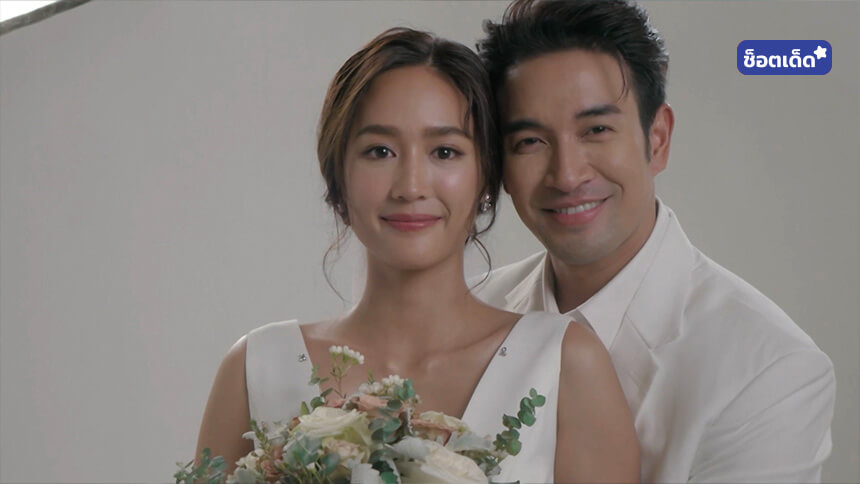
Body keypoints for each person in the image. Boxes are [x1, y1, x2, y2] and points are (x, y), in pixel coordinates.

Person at [194, 28, 639, 482]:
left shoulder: (565, 364)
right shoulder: (256, 368)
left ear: (486, 178)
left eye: (444, 151)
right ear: (337, 179)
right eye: (380, 151)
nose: (410, 186)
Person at [471, 0, 836, 482]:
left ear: (657, 138)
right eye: (530, 142)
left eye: (596, 130)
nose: (567, 174)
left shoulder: (769, 370)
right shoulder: (471, 310)